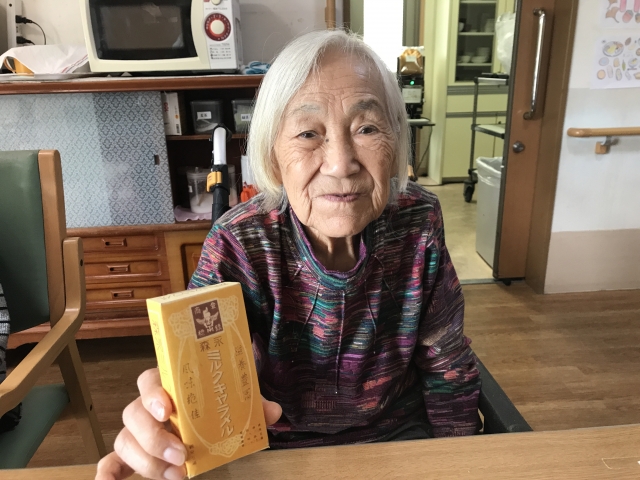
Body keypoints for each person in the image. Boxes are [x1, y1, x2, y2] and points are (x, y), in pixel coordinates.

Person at [96, 29, 480, 480]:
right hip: (277, 451)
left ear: (396, 142)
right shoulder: (239, 243)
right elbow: (196, 373)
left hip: (397, 440)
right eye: (308, 133)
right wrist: (171, 425)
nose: (340, 163)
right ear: (274, 155)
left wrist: (463, 462)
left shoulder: (418, 221)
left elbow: (446, 364)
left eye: (367, 128)